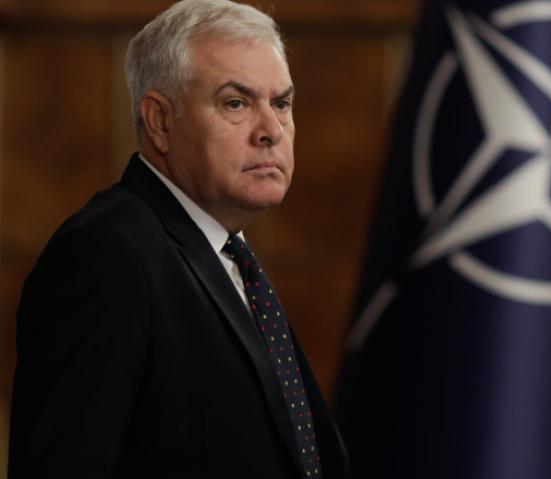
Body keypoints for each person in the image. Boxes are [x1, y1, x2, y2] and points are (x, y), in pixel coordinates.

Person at [7, 0, 348, 477]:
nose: (272, 131)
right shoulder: (106, 256)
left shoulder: (230, 255)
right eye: (236, 103)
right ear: (161, 121)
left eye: (281, 103)